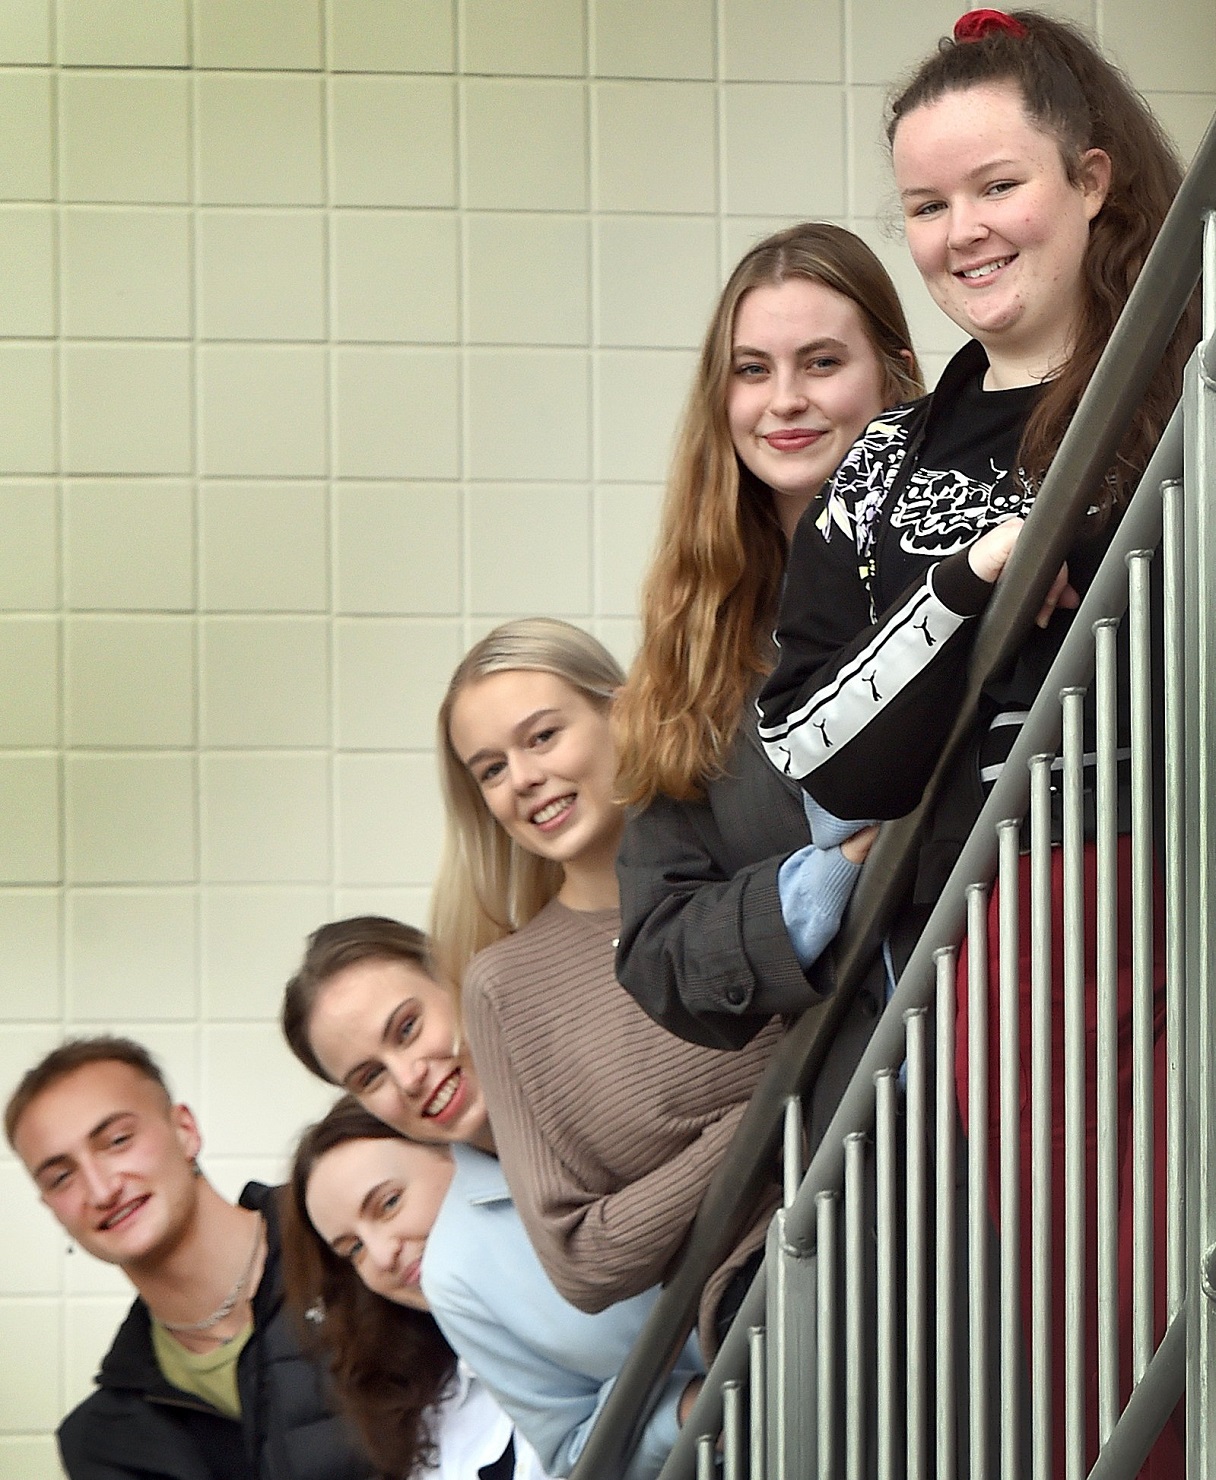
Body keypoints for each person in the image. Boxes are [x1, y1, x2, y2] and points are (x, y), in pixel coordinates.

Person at [754, 12, 1193, 1474]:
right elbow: (827, 755)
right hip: (1017, 944)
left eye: (995, 186)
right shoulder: (881, 468)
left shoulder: (1194, 391)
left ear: (1092, 179)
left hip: (1187, 878)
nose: (961, 233)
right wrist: (971, 586)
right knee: (1115, 1346)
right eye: (927, 206)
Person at [435, 616, 859, 1355]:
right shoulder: (503, 989)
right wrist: (763, 1110)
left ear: (621, 711)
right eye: (491, 770)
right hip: (772, 1302)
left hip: (904, 1177)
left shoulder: (751, 845)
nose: (523, 779)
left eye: (541, 737)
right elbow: (580, 1259)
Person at [611, 223, 920, 1083]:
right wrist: (830, 874)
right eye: (753, 370)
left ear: (892, 375)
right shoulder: (695, 650)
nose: (784, 399)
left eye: (822, 363)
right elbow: (658, 953)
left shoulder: (972, 571)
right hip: (875, 1135)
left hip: (1045, 1044)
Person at [280, 916, 703, 1480]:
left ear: (457, 976)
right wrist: (688, 1409)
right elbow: (572, 1454)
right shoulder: (456, 1270)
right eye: (368, 1077)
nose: (407, 1077)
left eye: (407, 1029)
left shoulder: (623, 1049)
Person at [4, 1036, 372, 1480]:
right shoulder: (104, 1443)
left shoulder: (353, 1243)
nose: (101, 1190)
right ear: (50, 1208)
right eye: (62, 1177)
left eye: (118, 1140)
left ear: (185, 1131)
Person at [281, 1095, 547, 1480]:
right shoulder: (431, 1411)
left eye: (388, 1204)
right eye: (353, 1249)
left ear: (463, 1159)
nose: (382, 1255)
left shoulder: (620, 1307)